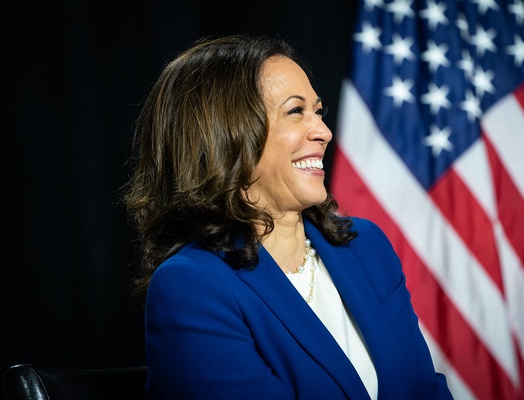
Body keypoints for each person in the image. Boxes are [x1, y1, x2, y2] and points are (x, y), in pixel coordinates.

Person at [123, 34, 453, 400]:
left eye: (319, 111)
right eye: (296, 111)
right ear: (225, 135)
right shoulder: (192, 287)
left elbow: (426, 391)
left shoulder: (365, 246)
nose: (324, 132)